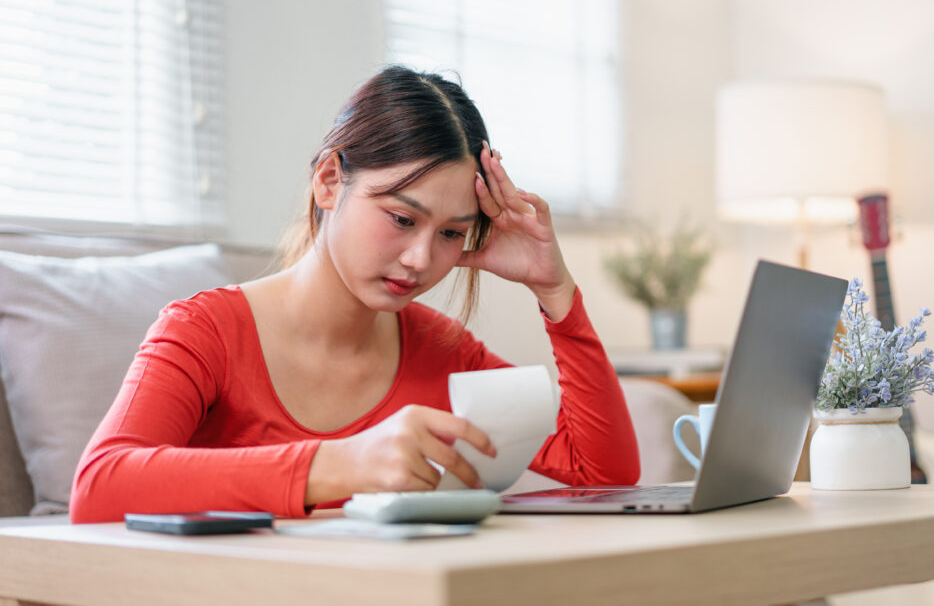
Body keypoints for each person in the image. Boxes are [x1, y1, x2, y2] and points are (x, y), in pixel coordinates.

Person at [69, 65, 640, 523]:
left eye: (450, 234)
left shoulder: (440, 349)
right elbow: (99, 485)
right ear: (328, 181)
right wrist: (339, 463)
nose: (420, 259)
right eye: (400, 217)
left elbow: (604, 473)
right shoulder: (204, 332)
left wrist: (554, 287)